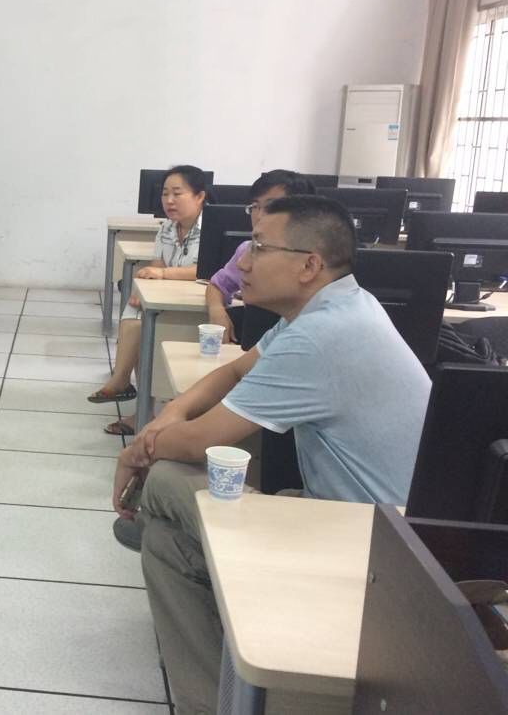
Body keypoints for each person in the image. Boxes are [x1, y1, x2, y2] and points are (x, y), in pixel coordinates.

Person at [110, 195, 431, 714]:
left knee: (167, 476)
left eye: (259, 248)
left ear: (309, 265)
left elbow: (197, 442)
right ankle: (213, 701)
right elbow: (234, 370)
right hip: (347, 518)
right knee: (167, 545)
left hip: (377, 546)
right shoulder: (331, 308)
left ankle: (150, 510)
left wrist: (139, 449)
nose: (242, 262)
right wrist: (169, 415)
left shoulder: (323, 334)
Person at [90, 165, 208, 435]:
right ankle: (137, 402)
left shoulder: (213, 228)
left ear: (200, 196)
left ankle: (125, 388)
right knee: (136, 315)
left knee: (150, 330)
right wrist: (144, 286)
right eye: (165, 193)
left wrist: (164, 274)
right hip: (169, 298)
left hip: (200, 306)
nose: (169, 200)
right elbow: (158, 263)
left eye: (177, 193)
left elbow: (208, 270)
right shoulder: (167, 227)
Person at [205, 169, 317, 345]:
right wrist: (217, 310)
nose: (259, 215)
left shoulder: (308, 260)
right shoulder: (246, 251)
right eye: (255, 206)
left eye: (271, 206)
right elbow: (217, 285)